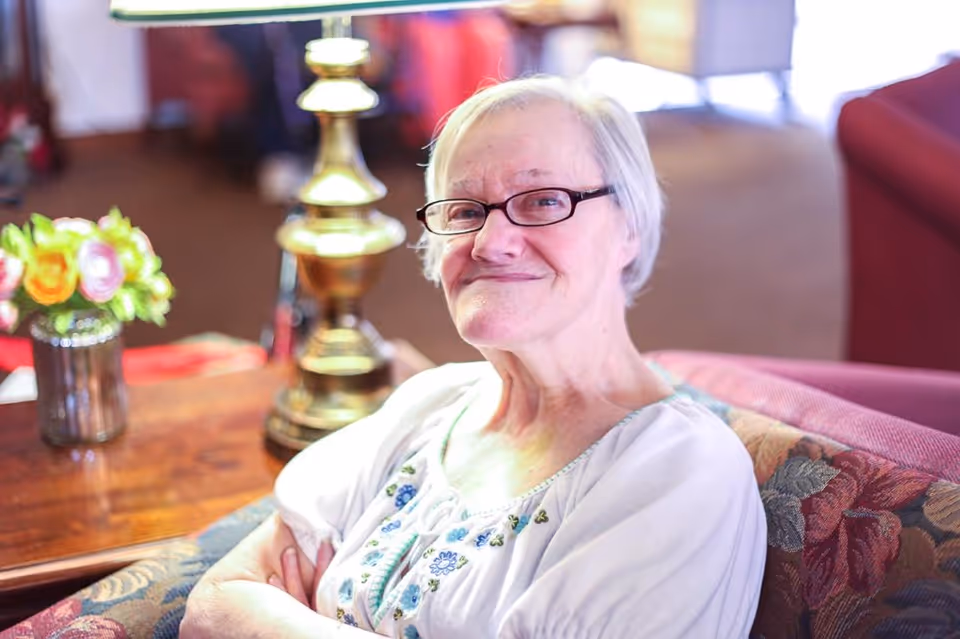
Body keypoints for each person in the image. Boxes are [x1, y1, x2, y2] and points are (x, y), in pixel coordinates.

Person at [180, 76, 767, 638]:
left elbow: (242, 617)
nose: (490, 243)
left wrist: (284, 622)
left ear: (629, 226)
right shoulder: (431, 403)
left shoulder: (680, 468)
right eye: (463, 210)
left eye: (542, 200)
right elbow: (213, 608)